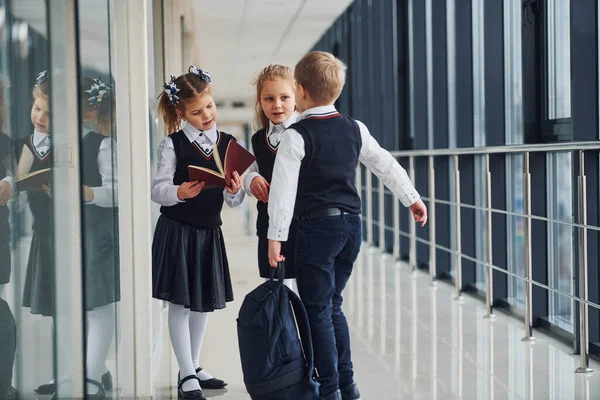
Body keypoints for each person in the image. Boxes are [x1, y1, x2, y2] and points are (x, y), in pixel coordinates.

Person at [267, 51, 428, 400]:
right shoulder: (356, 128)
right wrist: (411, 197)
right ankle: (347, 385)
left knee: (317, 310)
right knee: (332, 305)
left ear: (301, 91)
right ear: (337, 90)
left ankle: (329, 391)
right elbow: (385, 164)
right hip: (351, 229)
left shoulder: (296, 136)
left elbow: (282, 192)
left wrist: (275, 237)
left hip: (317, 230)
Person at [152, 66, 244, 400]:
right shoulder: (173, 144)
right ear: (181, 113)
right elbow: (158, 189)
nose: (206, 115)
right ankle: (187, 373)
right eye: (196, 111)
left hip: (209, 231)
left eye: (209, 106)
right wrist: (179, 192)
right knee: (182, 302)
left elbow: (233, 201)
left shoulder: (228, 143)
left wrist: (235, 190)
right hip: (178, 231)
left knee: (202, 302)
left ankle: (191, 366)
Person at [242, 64, 298, 290]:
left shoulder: (306, 132)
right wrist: (251, 180)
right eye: (269, 98)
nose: (277, 104)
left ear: (296, 97)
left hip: (302, 224)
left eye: (284, 97)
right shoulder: (258, 140)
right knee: (275, 293)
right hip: (268, 223)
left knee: (306, 298)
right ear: (260, 101)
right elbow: (250, 172)